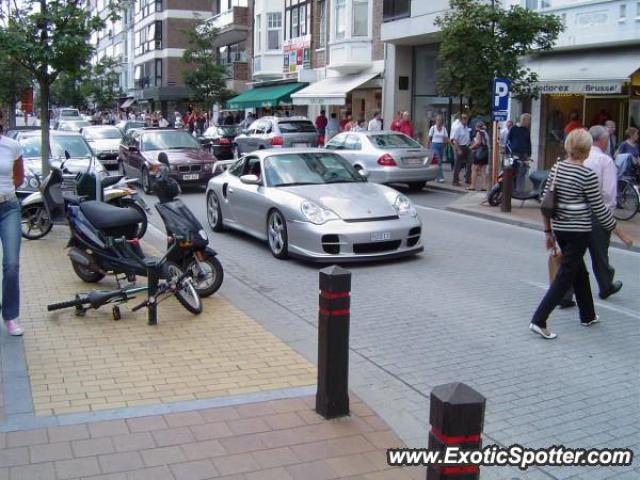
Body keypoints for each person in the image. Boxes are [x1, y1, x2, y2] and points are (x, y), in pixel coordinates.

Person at [529, 129, 632, 340]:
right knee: (566, 274)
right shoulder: (587, 175)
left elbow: (546, 204)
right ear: (585, 149)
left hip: (560, 229)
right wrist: (622, 234)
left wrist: (548, 231)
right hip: (578, 231)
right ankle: (539, 320)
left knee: (578, 271)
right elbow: (601, 211)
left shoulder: (557, 168)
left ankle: (588, 315)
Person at [0, 111, 25, 336]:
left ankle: (10, 315)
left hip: (8, 208)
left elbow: (19, 177)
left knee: (11, 265)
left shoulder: (12, 146)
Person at [507, 113, 532, 192]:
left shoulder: (526, 130)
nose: (529, 123)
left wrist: (529, 154)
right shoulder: (513, 129)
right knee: (510, 171)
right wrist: (508, 152)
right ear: (524, 120)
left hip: (524, 154)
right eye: (528, 121)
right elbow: (508, 141)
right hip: (514, 153)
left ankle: (519, 190)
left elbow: (528, 143)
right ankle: (510, 189)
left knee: (522, 172)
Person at [450, 113, 471, 186]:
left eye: (466, 118)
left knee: (470, 162)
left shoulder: (467, 128)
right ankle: (455, 181)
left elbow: (467, 138)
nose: (465, 120)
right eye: (464, 118)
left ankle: (468, 179)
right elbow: (454, 140)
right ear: (461, 119)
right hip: (460, 146)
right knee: (458, 165)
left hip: (467, 147)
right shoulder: (458, 128)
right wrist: (458, 149)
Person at [427, 114, 448, 183]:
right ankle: (440, 177)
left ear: (442, 121)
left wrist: (445, 144)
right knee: (438, 161)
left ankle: (435, 176)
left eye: (440, 120)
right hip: (434, 145)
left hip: (441, 145)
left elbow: (446, 138)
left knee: (439, 162)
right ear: (436, 121)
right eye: (438, 120)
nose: (439, 122)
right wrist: (428, 146)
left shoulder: (444, 129)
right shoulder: (433, 128)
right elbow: (429, 138)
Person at [469, 122, 490, 191]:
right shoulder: (486, 133)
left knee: (474, 169)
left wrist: (471, 147)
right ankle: (484, 186)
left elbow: (478, 142)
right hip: (485, 153)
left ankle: (472, 186)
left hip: (479, 153)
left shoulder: (479, 133)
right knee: (483, 170)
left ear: (477, 127)